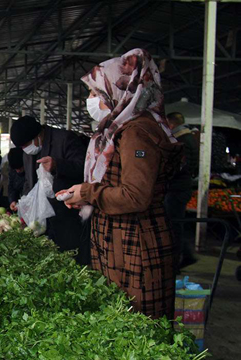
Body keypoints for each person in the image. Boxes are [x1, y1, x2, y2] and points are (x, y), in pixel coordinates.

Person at [60, 48, 182, 320]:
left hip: (135, 245)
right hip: (119, 241)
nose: (90, 100)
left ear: (120, 92)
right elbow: (117, 183)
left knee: (137, 324)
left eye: (95, 93)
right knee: (120, 319)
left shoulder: (137, 133)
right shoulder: (119, 130)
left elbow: (136, 196)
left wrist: (89, 192)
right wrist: (85, 196)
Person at [10, 115, 89, 264]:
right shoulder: (28, 153)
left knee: (70, 259)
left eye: (26, 145)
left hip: (65, 216)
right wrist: (23, 204)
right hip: (42, 222)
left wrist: (57, 165)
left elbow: (83, 168)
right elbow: (29, 181)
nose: (25, 149)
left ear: (37, 136)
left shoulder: (65, 139)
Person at [165, 112, 197, 270]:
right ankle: (183, 256)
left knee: (173, 225)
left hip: (177, 189)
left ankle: (177, 261)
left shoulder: (182, 140)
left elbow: (181, 167)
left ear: (171, 124)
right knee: (175, 224)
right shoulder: (187, 138)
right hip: (180, 187)